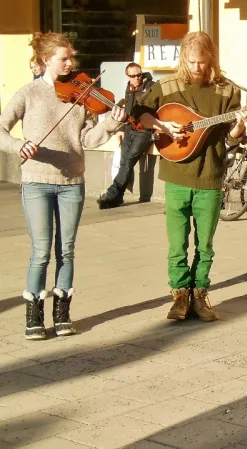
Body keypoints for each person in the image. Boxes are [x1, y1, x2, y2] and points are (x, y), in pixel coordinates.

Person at [0, 32, 126, 340]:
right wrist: (18, 146)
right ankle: (34, 315)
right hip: (37, 182)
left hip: (72, 183)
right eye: (64, 58)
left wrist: (110, 124)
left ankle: (62, 313)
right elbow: (1, 128)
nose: (71, 63)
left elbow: (86, 139)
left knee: (66, 250)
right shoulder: (28, 92)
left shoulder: (80, 95)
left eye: (72, 57)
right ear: (46, 60)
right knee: (41, 251)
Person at [135, 31, 247, 323]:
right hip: (176, 174)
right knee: (177, 243)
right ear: (184, 57)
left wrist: (239, 127)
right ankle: (179, 295)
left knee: (206, 244)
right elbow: (141, 114)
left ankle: (200, 293)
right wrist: (161, 124)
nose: (196, 67)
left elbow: (232, 136)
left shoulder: (226, 90)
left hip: (210, 174)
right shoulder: (167, 85)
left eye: (201, 61)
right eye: (191, 61)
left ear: (211, 58)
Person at [97, 63, 155, 209]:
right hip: (129, 129)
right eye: (133, 76)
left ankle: (111, 194)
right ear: (127, 76)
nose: (137, 78)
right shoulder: (128, 89)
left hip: (144, 130)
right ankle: (118, 197)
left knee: (129, 161)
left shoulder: (151, 87)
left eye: (139, 75)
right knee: (124, 163)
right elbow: (127, 112)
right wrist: (122, 129)